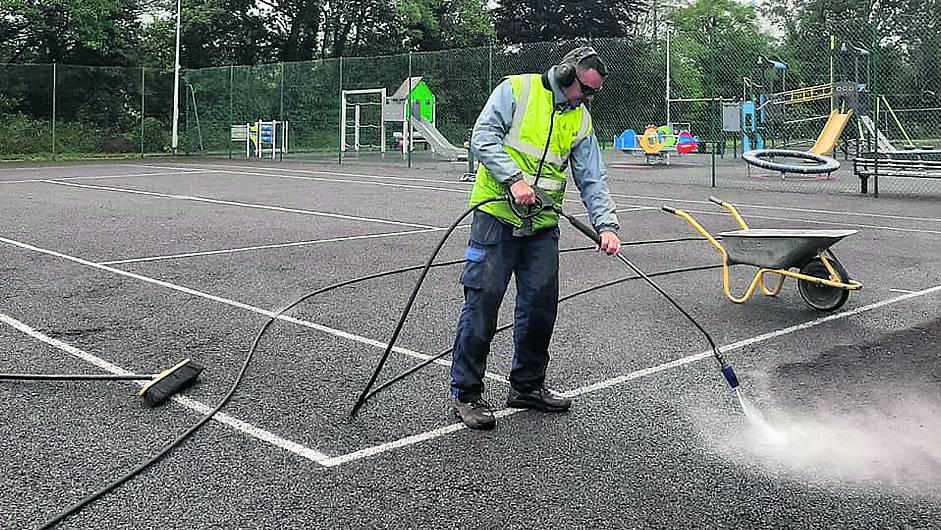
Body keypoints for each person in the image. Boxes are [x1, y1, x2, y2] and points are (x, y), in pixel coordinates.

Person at [449, 46, 621, 430]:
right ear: (565, 75)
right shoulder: (516, 90)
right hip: (496, 217)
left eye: (594, 94)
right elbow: (483, 138)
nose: (588, 99)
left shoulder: (580, 119)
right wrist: (514, 179)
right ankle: (466, 393)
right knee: (482, 303)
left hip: (542, 224)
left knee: (541, 305)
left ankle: (527, 386)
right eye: (585, 90)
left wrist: (606, 226)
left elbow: (592, 177)